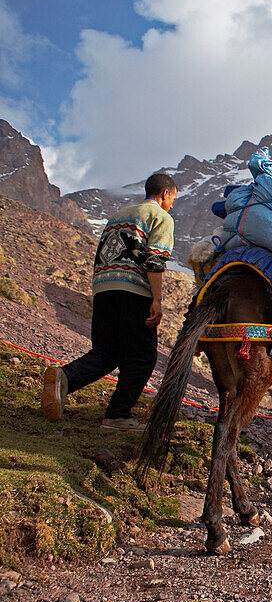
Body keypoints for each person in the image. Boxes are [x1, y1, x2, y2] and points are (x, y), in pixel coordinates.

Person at [42, 174, 177, 432]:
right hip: (134, 292)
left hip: (104, 290)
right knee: (142, 356)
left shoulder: (118, 215)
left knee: (107, 352)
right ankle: (117, 415)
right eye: (172, 198)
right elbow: (154, 261)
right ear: (165, 194)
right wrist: (157, 300)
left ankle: (65, 377)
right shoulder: (161, 217)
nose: (171, 204)